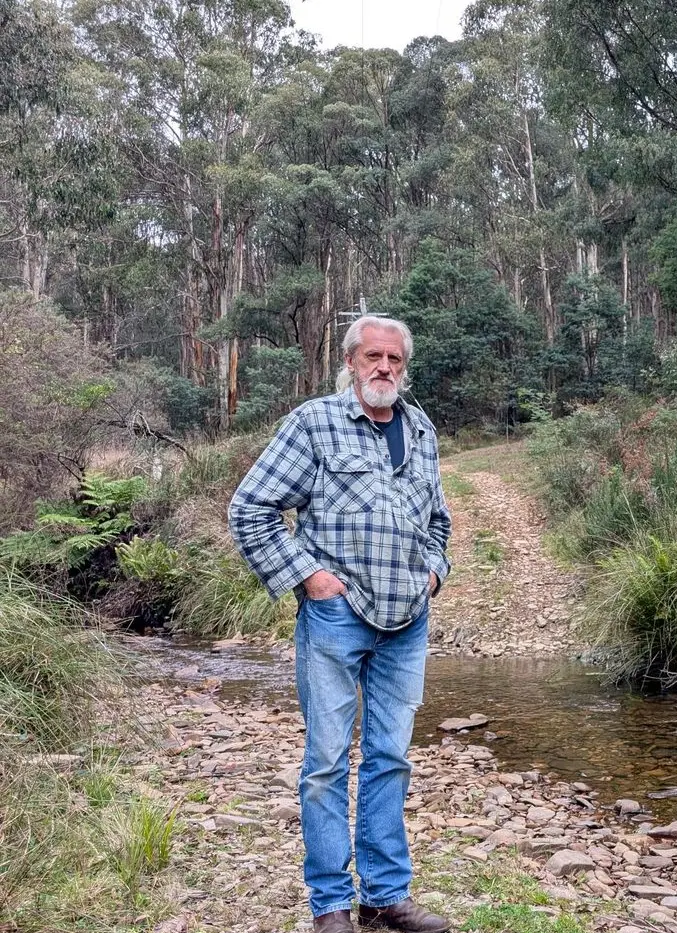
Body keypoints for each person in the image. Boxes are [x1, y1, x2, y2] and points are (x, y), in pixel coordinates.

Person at [228, 315, 452, 933]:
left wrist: (435, 571)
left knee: (390, 757)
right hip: (336, 618)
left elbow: (438, 520)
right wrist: (306, 577)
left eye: (395, 360)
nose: (384, 368)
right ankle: (330, 904)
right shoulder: (314, 423)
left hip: (408, 619)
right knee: (326, 761)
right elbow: (251, 507)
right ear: (351, 361)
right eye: (373, 357)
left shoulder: (422, 429)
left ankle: (385, 897)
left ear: (404, 368)